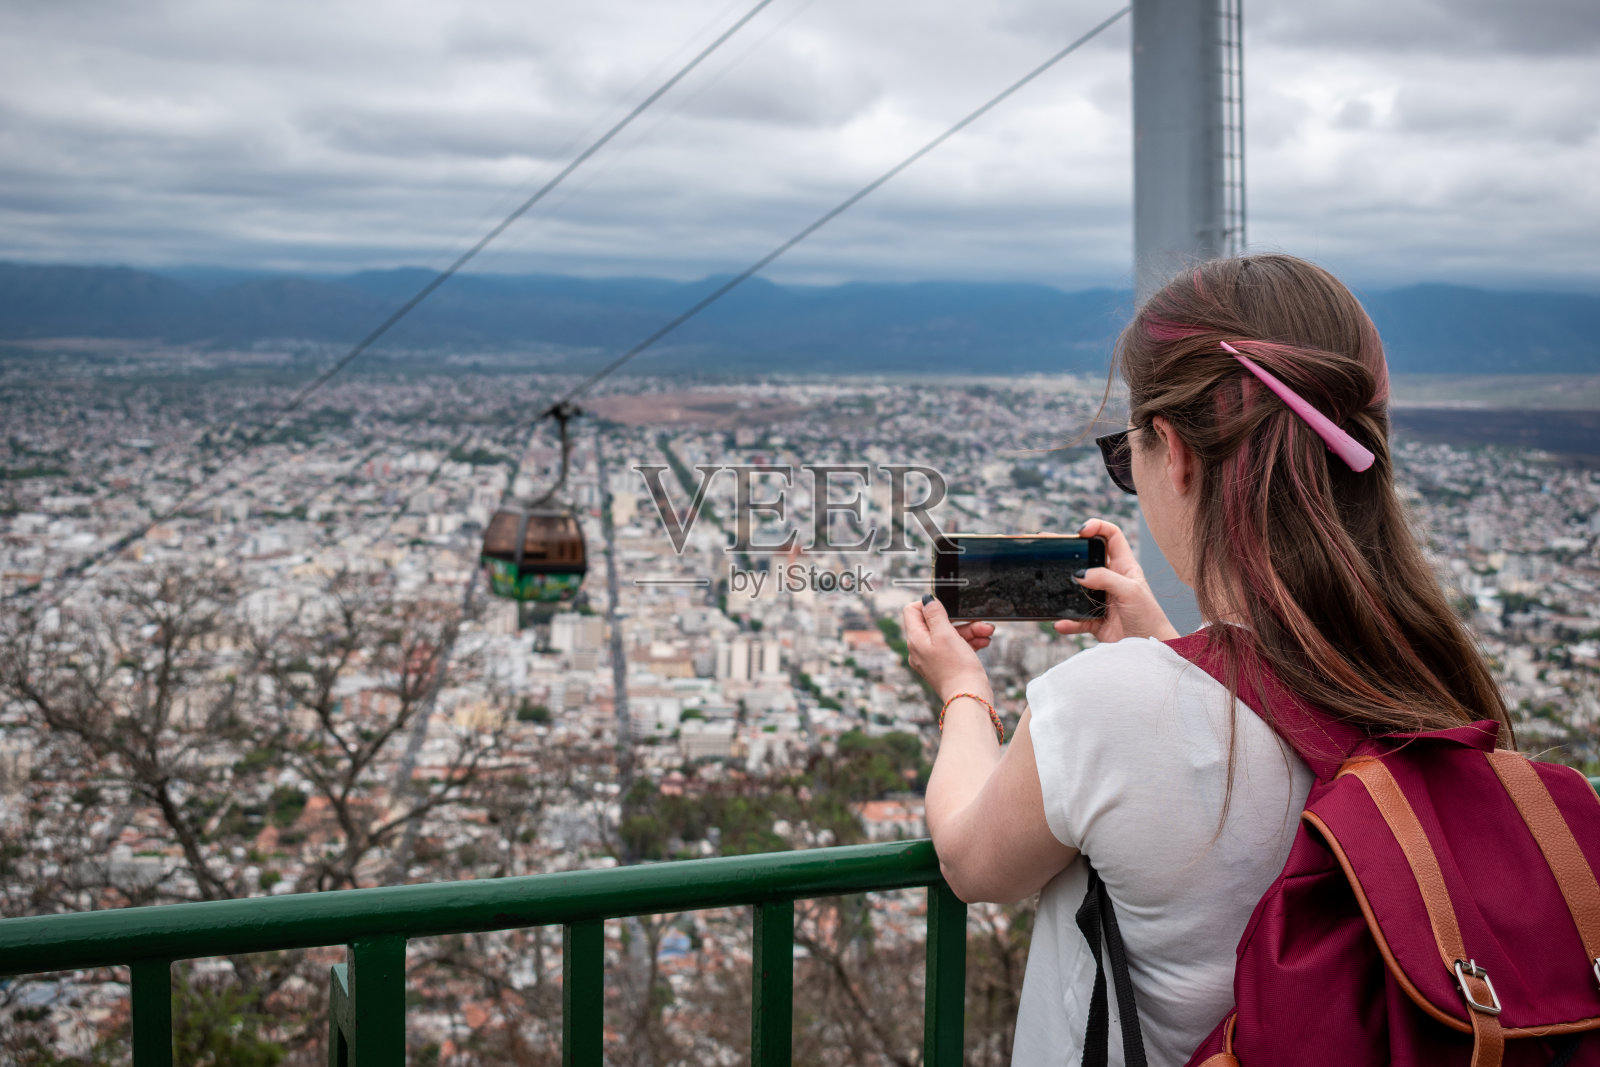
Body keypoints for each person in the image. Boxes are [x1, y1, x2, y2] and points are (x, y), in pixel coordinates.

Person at [901, 254, 1513, 1066]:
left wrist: (961, 690)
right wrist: (1168, 646)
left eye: (1128, 456)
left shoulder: (1110, 706)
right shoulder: (1441, 684)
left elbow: (968, 859)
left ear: (1176, 452)